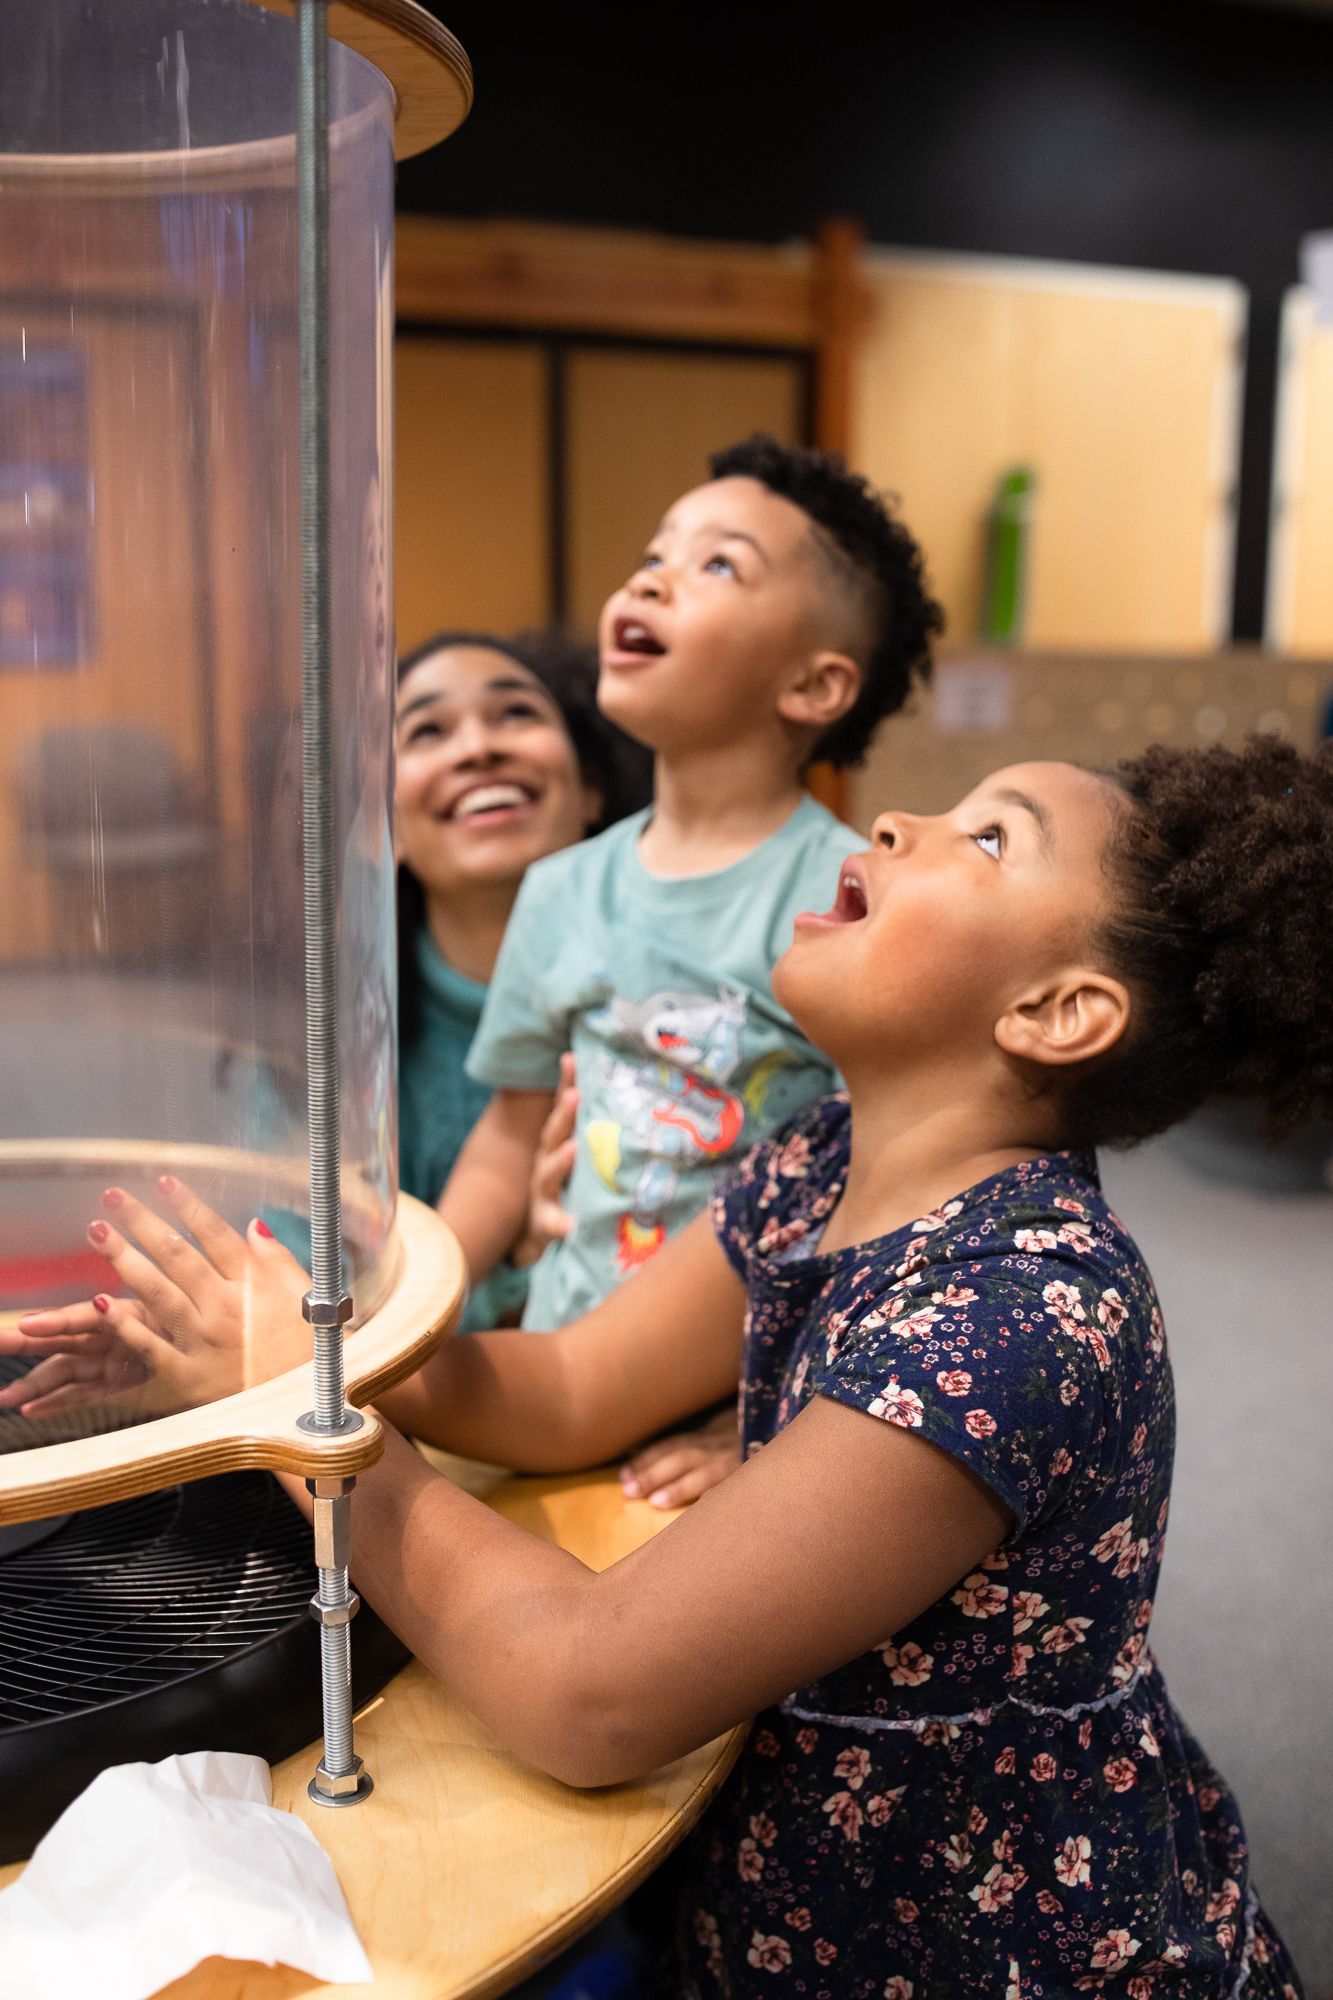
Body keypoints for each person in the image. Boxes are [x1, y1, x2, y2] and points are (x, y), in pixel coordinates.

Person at [15, 737, 1326, 1997]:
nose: (893, 823)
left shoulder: (1022, 1313)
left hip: (970, 1941)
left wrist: (301, 1423)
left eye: (988, 837)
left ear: (1057, 1011)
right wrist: (305, 1341)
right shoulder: (817, 1162)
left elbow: (592, 1694)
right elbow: (575, 1385)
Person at [439, 433, 942, 1498]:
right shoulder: (562, 889)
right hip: (570, 1349)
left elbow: (890, 1176)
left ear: (811, 683)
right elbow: (508, 1134)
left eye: (718, 563)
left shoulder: (843, 894)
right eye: (655, 550)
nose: (652, 574)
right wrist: (424, 1292)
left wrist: (788, 1413)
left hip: (751, 1391)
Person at [393, 627, 649, 1328]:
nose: (477, 748)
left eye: (516, 713)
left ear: (591, 788)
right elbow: (310, 1347)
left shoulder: (678, 1013)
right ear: (380, 825)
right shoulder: (319, 1053)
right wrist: (519, 1270)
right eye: (427, 731)